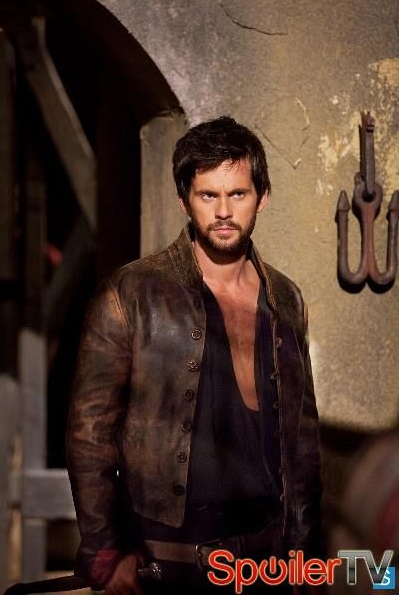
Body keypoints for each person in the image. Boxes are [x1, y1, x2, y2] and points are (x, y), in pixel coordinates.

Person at [66, 116, 322, 594]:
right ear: (184, 199)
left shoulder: (286, 299)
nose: (223, 211)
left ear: (262, 197)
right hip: (167, 565)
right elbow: (90, 431)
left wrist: (307, 558)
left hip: (266, 567)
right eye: (208, 195)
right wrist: (104, 553)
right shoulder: (131, 293)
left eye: (238, 194)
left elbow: (303, 445)